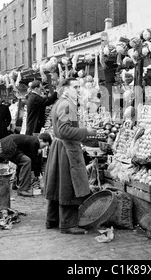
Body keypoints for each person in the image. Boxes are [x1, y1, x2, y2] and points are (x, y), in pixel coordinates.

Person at [44, 77, 97, 234]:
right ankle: (68, 224)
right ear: (66, 89)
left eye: (79, 87)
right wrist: (86, 132)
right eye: (75, 87)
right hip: (67, 149)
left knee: (57, 184)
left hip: (59, 147)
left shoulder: (60, 102)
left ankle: (52, 219)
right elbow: (65, 131)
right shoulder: (67, 104)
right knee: (69, 185)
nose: (78, 90)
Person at [0, 132, 52, 197]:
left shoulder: (32, 140)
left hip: (2, 146)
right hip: (4, 148)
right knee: (26, 161)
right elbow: (34, 161)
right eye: (44, 146)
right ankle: (22, 189)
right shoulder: (34, 142)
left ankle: (16, 184)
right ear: (40, 140)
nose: (42, 148)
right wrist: (39, 176)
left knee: (23, 161)